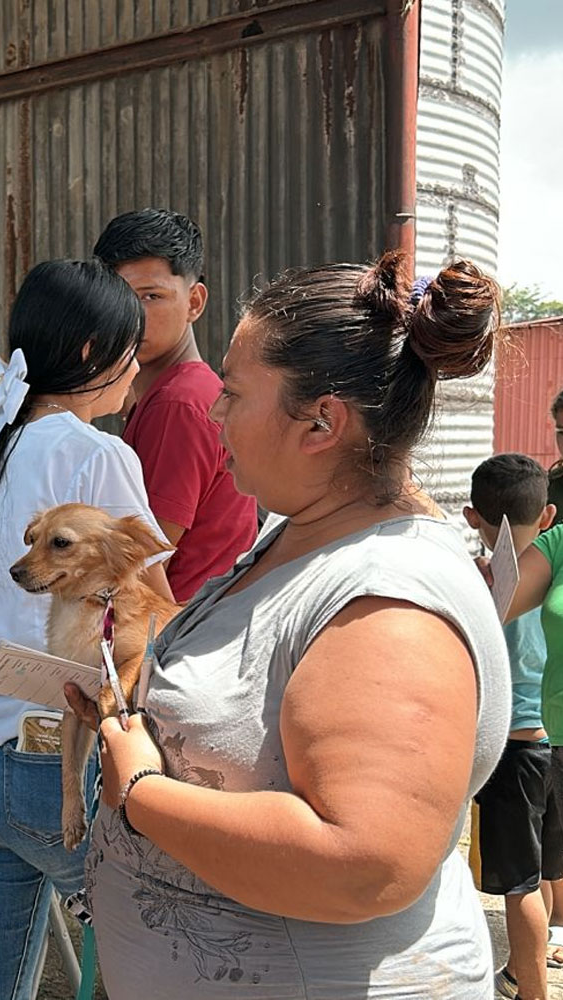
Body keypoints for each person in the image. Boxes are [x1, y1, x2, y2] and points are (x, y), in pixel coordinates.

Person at [68, 251, 508, 997]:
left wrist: (142, 788)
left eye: (233, 394)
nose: (214, 412)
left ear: (320, 422)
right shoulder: (305, 530)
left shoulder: (388, 600)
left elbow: (365, 861)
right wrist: (133, 717)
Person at [0, 258, 173, 1000]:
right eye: (130, 349)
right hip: (58, 766)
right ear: (88, 353)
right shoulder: (94, 454)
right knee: (167, 957)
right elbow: (155, 603)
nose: (137, 369)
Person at [93, 208, 258, 601]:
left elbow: (137, 567)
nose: (132, 316)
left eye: (151, 296)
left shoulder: (178, 404)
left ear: (195, 302)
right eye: (119, 297)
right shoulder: (176, 393)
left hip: (178, 637)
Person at [465, 453, 557, 1000]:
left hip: (513, 752)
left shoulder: (485, 587)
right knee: (542, 870)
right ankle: (532, 963)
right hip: (550, 742)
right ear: (545, 517)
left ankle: (533, 989)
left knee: (518, 885)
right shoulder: (552, 575)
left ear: (472, 515)